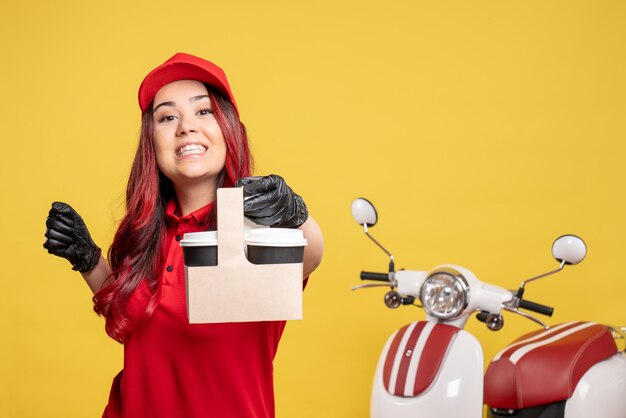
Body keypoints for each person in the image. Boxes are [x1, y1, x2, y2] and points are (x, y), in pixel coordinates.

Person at [43, 52, 324, 418]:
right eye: (168, 117)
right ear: (152, 144)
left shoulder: (257, 230)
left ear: (229, 129)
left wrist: (294, 215)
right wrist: (88, 260)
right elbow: (137, 326)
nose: (186, 126)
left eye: (203, 111)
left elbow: (311, 254)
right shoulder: (145, 233)